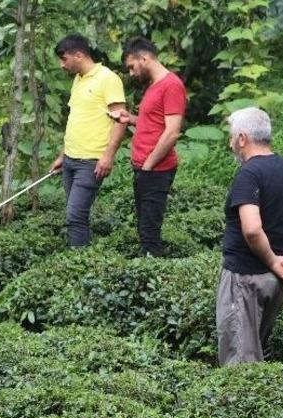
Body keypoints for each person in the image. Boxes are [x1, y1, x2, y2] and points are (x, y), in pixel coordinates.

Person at [217, 107, 283, 366]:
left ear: (242, 138)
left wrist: (273, 260)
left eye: (232, 137)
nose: (231, 143)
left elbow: (252, 228)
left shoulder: (249, 173)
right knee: (256, 350)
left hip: (246, 278)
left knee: (240, 362)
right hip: (277, 282)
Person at [110, 37, 187, 256]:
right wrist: (130, 118)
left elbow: (172, 132)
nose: (132, 73)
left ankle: (154, 277)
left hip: (155, 169)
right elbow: (154, 122)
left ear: (144, 58)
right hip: (144, 166)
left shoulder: (171, 85)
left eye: (132, 67)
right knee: (144, 227)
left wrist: (148, 165)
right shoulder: (153, 86)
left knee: (149, 231)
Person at [49, 34, 127, 247]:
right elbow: (77, 120)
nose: (61, 64)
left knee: (74, 216)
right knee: (75, 216)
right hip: (71, 160)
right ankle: (81, 258)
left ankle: (79, 264)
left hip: (91, 161)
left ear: (79, 55)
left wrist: (108, 155)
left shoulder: (108, 78)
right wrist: (62, 155)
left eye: (64, 58)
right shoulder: (78, 80)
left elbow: (121, 120)